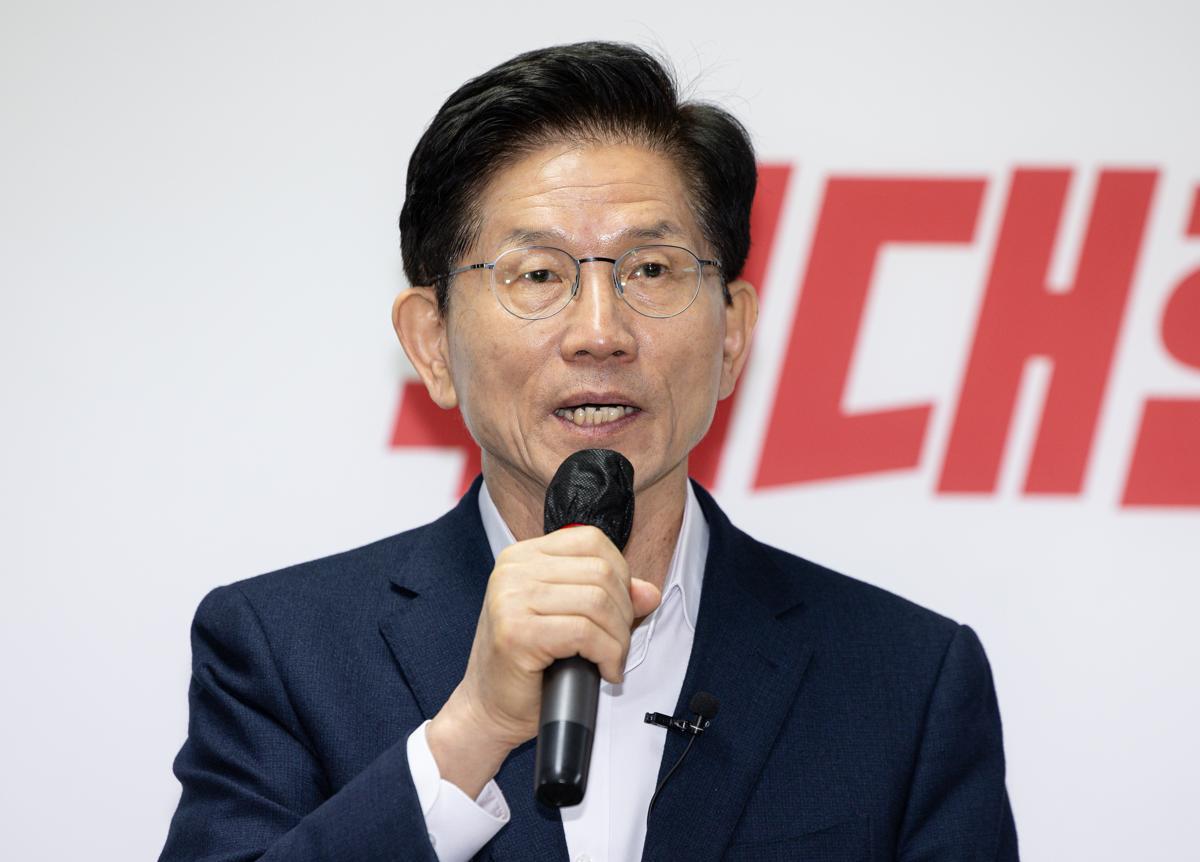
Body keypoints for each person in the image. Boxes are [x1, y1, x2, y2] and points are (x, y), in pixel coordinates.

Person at [159, 41, 1018, 862]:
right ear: (432, 344)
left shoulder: (907, 679)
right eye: (538, 274)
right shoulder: (283, 650)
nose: (601, 333)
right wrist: (470, 734)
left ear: (732, 335)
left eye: (651, 270)